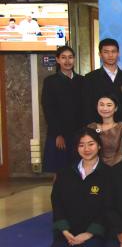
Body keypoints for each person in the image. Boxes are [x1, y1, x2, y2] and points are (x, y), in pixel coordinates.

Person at [45, 127, 109, 247]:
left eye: (91, 144)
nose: (86, 149)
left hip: (94, 233)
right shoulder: (65, 173)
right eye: (81, 145)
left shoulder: (108, 174)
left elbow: (108, 208)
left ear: (99, 146)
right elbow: (57, 202)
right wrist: (64, 230)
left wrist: (89, 234)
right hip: (69, 232)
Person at [42, 45, 84, 173]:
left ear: (74, 59)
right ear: (57, 60)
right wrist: (57, 134)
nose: (67, 61)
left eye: (70, 57)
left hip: (79, 133)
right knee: (60, 171)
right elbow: (48, 109)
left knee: (78, 170)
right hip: (60, 134)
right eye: (63, 57)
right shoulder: (50, 81)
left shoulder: (82, 81)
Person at [83, 38, 122, 124]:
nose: (110, 55)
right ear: (100, 54)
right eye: (106, 52)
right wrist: (94, 128)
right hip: (98, 126)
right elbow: (87, 107)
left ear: (118, 54)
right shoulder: (90, 78)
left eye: (113, 51)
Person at [88, 94, 122, 166]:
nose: (105, 108)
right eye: (101, 105)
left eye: (109, 105)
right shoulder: (92, 127)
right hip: (95, 167)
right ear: (97, 107)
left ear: (116, 108)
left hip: (118, 167)